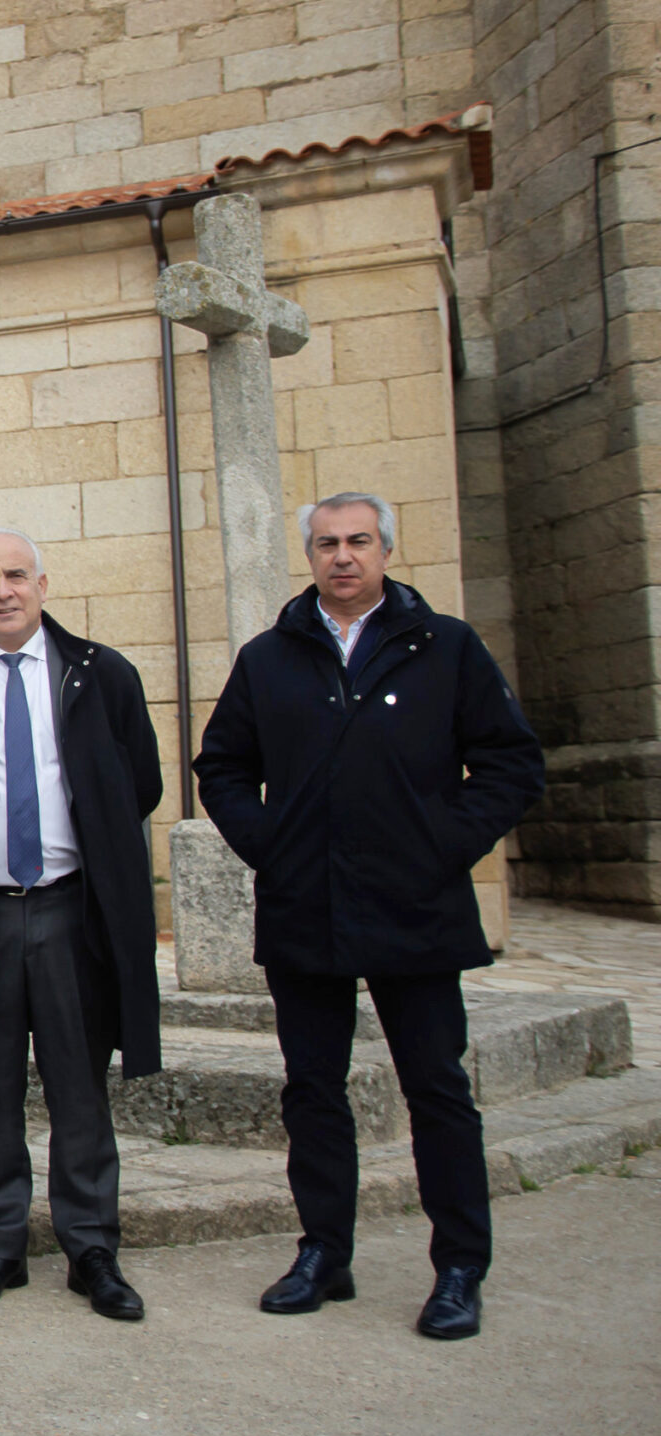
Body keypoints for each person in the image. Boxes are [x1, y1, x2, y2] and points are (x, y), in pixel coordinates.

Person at [196, 492, 543, 1341]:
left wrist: (440, 843)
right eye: (325, 544)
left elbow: (510, 762)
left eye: (357, 541)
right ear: (308, 556)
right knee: (313, 1091)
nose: (342, 556)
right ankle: (324, 1252)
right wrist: (270, 844)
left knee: (437, 1089)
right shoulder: (271, 657)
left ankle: (459, 1266)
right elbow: (224, 765)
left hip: (414, 909)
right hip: (305, 906)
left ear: (384, 549)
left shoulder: (446, 646)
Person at [0, 529, 164, 1321]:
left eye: (16, 575)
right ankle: (0, 1240)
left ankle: (92, 1248)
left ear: (43, 584)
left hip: (73, 910)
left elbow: (137, 783)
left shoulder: (103, 674)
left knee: (81, 1082)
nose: (3, 590)